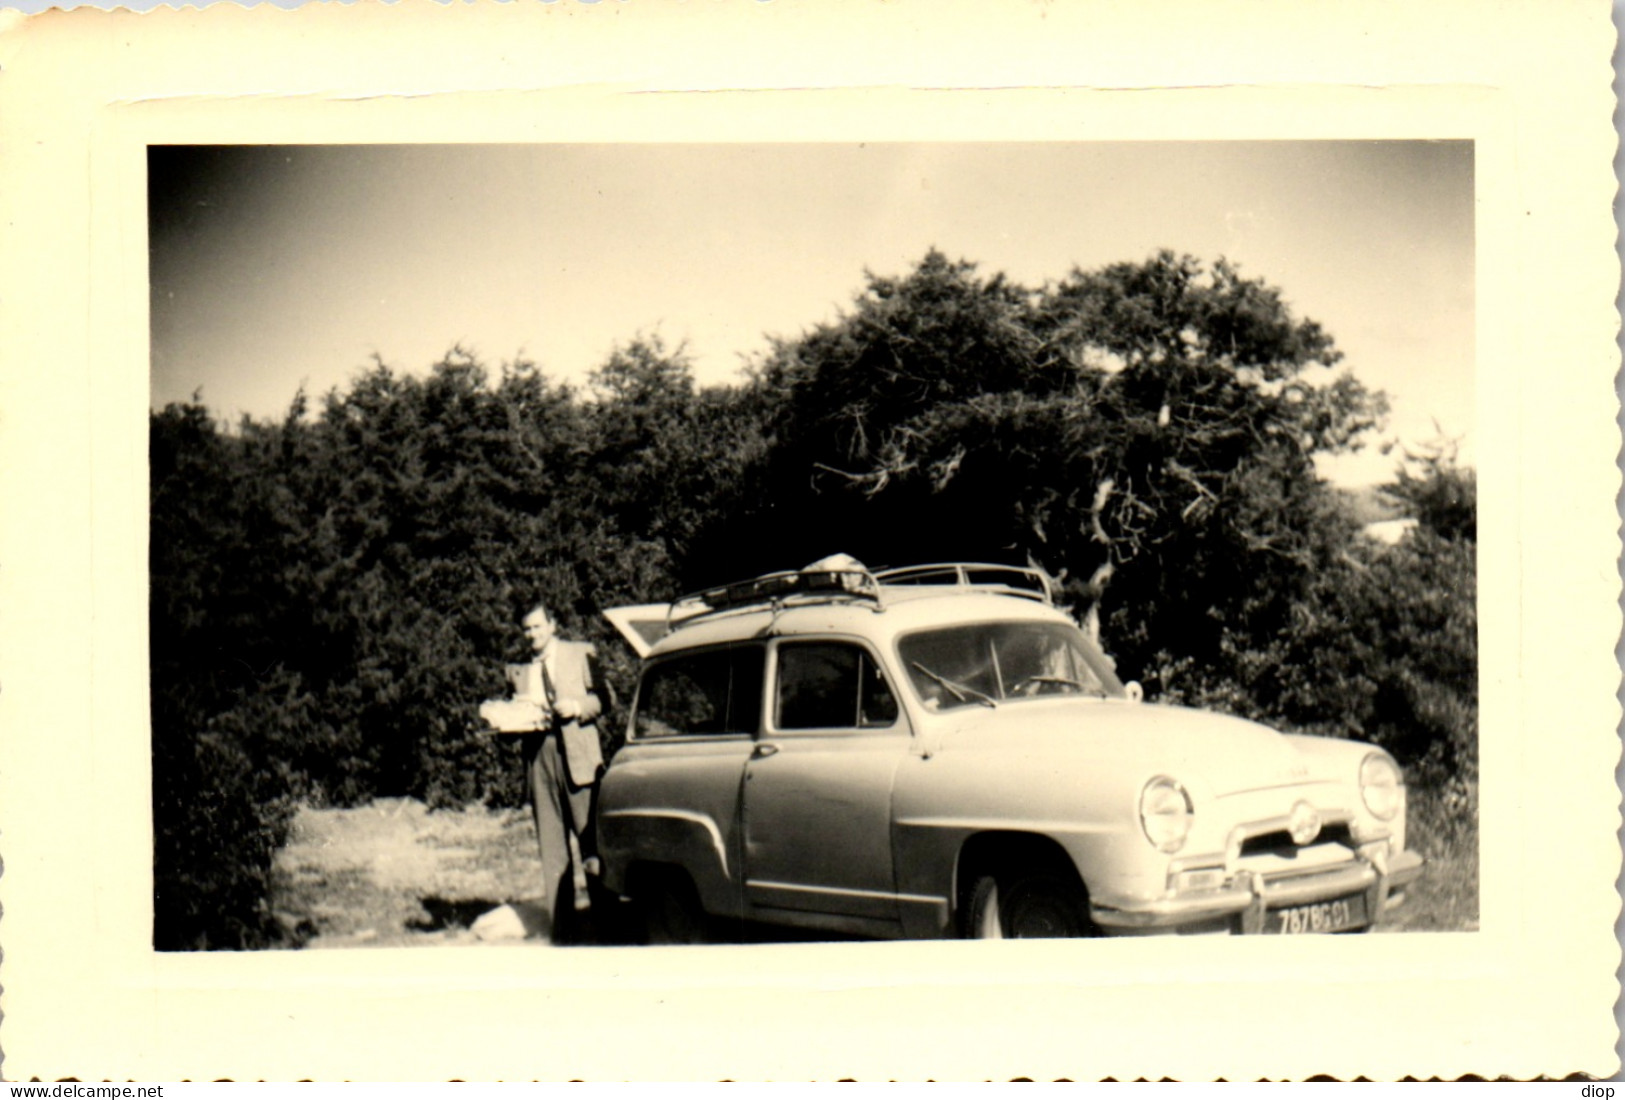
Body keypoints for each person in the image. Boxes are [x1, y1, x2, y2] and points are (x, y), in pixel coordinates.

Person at [507, 602, 608, 942]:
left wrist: (577, 707)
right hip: (539, 757)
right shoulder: (520, 672)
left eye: (537, 626)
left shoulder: (581, 654)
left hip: (579, 756)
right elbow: (514, 714)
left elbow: (606, 698)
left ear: (552, 624)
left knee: (592, 842)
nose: (532, 634)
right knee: (552, 847)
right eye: (527, 629)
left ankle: (607, 927)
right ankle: (564, 933)